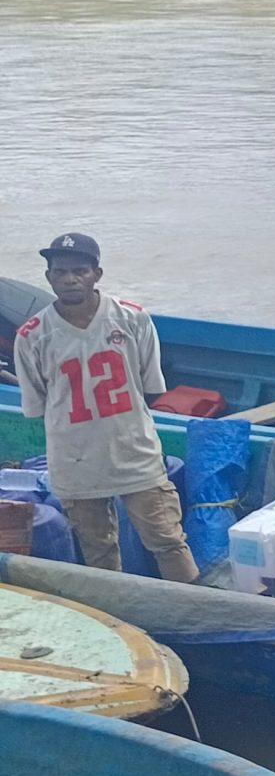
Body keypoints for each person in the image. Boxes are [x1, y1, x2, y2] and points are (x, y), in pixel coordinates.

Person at [11, 233, 198, 584]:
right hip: (74, 462)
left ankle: (193, 608)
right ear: (49, 277)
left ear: (97, 274)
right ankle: (115, 612)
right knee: (98, 550)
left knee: (168, 540)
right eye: (60, 272)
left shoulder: (132, 318)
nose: (70, 279)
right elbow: (37, 405)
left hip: (135, 454)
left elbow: (148, 384)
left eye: (80, 270)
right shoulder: (32, 336)